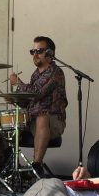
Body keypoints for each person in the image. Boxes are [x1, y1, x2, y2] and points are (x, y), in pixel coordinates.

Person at [8, 35, 68, 177]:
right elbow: (30, 100)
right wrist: (16, 100)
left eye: (39, 51)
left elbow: (37, 94)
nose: (35, 54)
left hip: (53, 122)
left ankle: (36, 166)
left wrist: (18, 83)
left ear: (50, 54)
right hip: (32, 120)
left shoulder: (55, 72)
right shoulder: (35, 75)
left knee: (42, 116)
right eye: (32, 51)